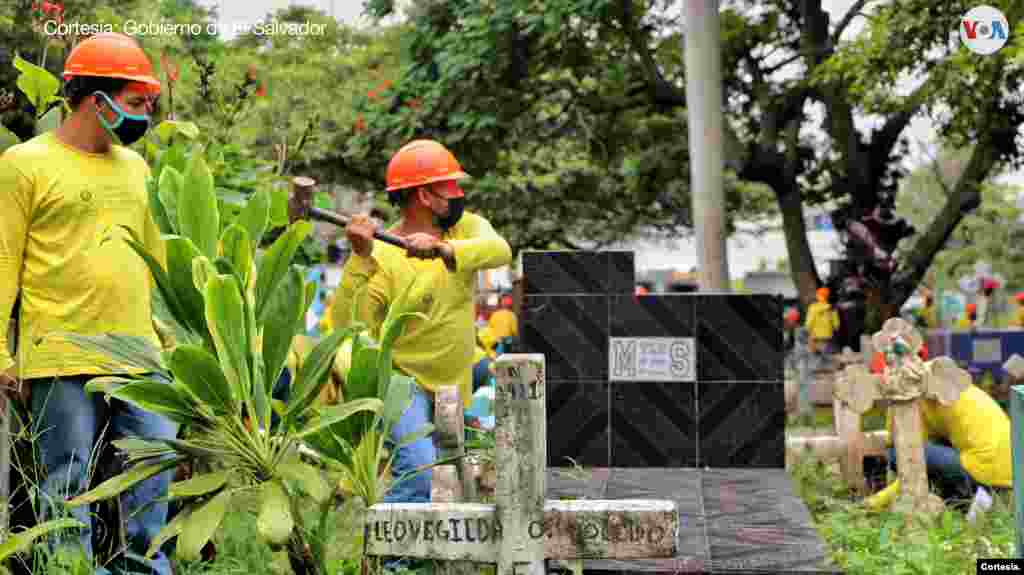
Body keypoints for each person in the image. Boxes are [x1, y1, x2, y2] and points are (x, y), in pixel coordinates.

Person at [0, 33, 177, 574]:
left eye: (149, 103)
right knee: (66, 487)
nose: (145, 114)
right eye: (136, 102)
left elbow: (157, 259)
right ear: (94, 100)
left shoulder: (136, 170)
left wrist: (174, 337)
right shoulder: (24, 164)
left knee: (152, 482)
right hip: (59, 353)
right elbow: (3, 258)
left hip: (139, 355)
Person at [331, 139, 512, 507]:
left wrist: (444, 250)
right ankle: (399, 564)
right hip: (404, 384)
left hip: (453, 382)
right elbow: (348, 323)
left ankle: (434, 559)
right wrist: (361, 258)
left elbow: (500, 250)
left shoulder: (464, 231)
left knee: (453, 484)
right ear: (426, 197)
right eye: (451, 187)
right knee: (419, 471)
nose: (459, 194)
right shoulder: (383, 255)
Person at [864, 350, 1011, 518]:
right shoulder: (940, 381)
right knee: (927, 454)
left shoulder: (917, 392)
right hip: (1009, 469)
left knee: (901, 453)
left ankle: (955, 498)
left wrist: (877, 501)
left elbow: (912, 458)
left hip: (983, 467)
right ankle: (963, 501)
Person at [805, 287, 839, 354]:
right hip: (828, 335)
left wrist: (808, 329)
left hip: (815, 335)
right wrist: (835, 328)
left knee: (815, 354)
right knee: (826, 354)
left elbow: (809, 321)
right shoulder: (832, 308)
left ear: (818, 296)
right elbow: (836, 324)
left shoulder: (813, 307)